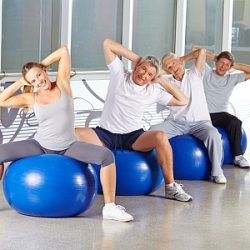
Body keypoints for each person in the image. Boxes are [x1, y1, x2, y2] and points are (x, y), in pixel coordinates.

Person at [0, 47, 133, 222]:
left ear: (45, 71)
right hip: (40, 145)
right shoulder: (31, 97)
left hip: (69, 146)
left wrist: (41, 64)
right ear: (30, 83)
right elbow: (2, 100)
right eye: (33, 80)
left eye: (39, 75)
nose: (39, 81)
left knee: (107, 156)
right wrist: (21, 81)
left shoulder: (62, 84)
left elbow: (63, 51)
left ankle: (109, 207)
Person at [76, 38, 193, 202]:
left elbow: (183, 100)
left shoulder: (153, 90)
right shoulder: (120, 74)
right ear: (135, 67)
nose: (144, 75)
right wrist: (137, 58)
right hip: (104, 134)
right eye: (143, 69)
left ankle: (171, 187)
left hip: (133, 137)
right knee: (71, 133)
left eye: (150, 74)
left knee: (160, 136)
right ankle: (69, 178)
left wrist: (162, 81)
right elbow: (107, 44)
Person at [150, 48, 226, 184]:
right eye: (169, 67)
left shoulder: (195, 73)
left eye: (174, 63)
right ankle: (152, 169)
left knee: (213, 134)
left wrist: (182, 60)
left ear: (180, 60)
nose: (173, 68)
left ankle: (217, 172)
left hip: (200, 122)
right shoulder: (167, 82)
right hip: (176, 123)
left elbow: (201, 52)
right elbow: (154, 76)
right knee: (151, 131)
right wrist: (167, 69)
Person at [192, 47, 250, 168]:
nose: (223, 67)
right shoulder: (206, 72)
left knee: (235, 122)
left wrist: (235, 65)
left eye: (227, 65)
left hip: (221, 115)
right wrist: (214, 57)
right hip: (203, 114)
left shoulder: (232, 79)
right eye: (221, 63)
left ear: (230, 67)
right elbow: (195, 50)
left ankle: (238, 157)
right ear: (216, 62)